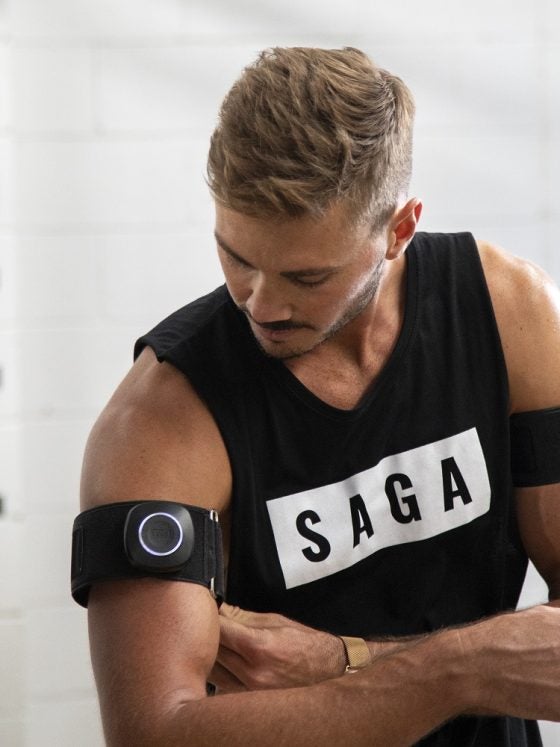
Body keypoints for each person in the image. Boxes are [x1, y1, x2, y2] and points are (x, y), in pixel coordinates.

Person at [78, 47, 560, 746]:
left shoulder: (510, 312)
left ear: (399, 230)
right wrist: (463, 670)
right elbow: (153, 732)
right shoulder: (160, 420)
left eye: (307, 278)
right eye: (237, 257)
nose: (260, 304)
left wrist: (349, 661)